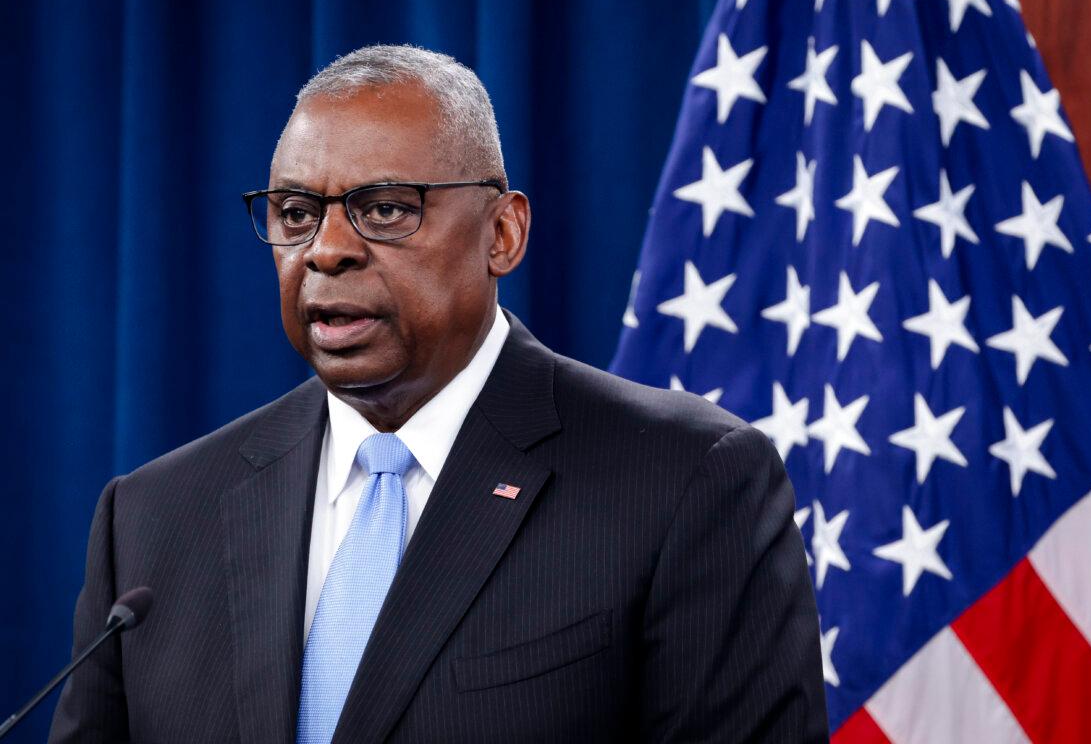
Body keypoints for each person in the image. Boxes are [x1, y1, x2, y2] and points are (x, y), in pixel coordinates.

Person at [50, 44, 828, 743]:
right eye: (295, 213)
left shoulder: (685, 481)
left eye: (385, 209)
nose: (326, 251)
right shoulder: (152, 519)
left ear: (503, 235)